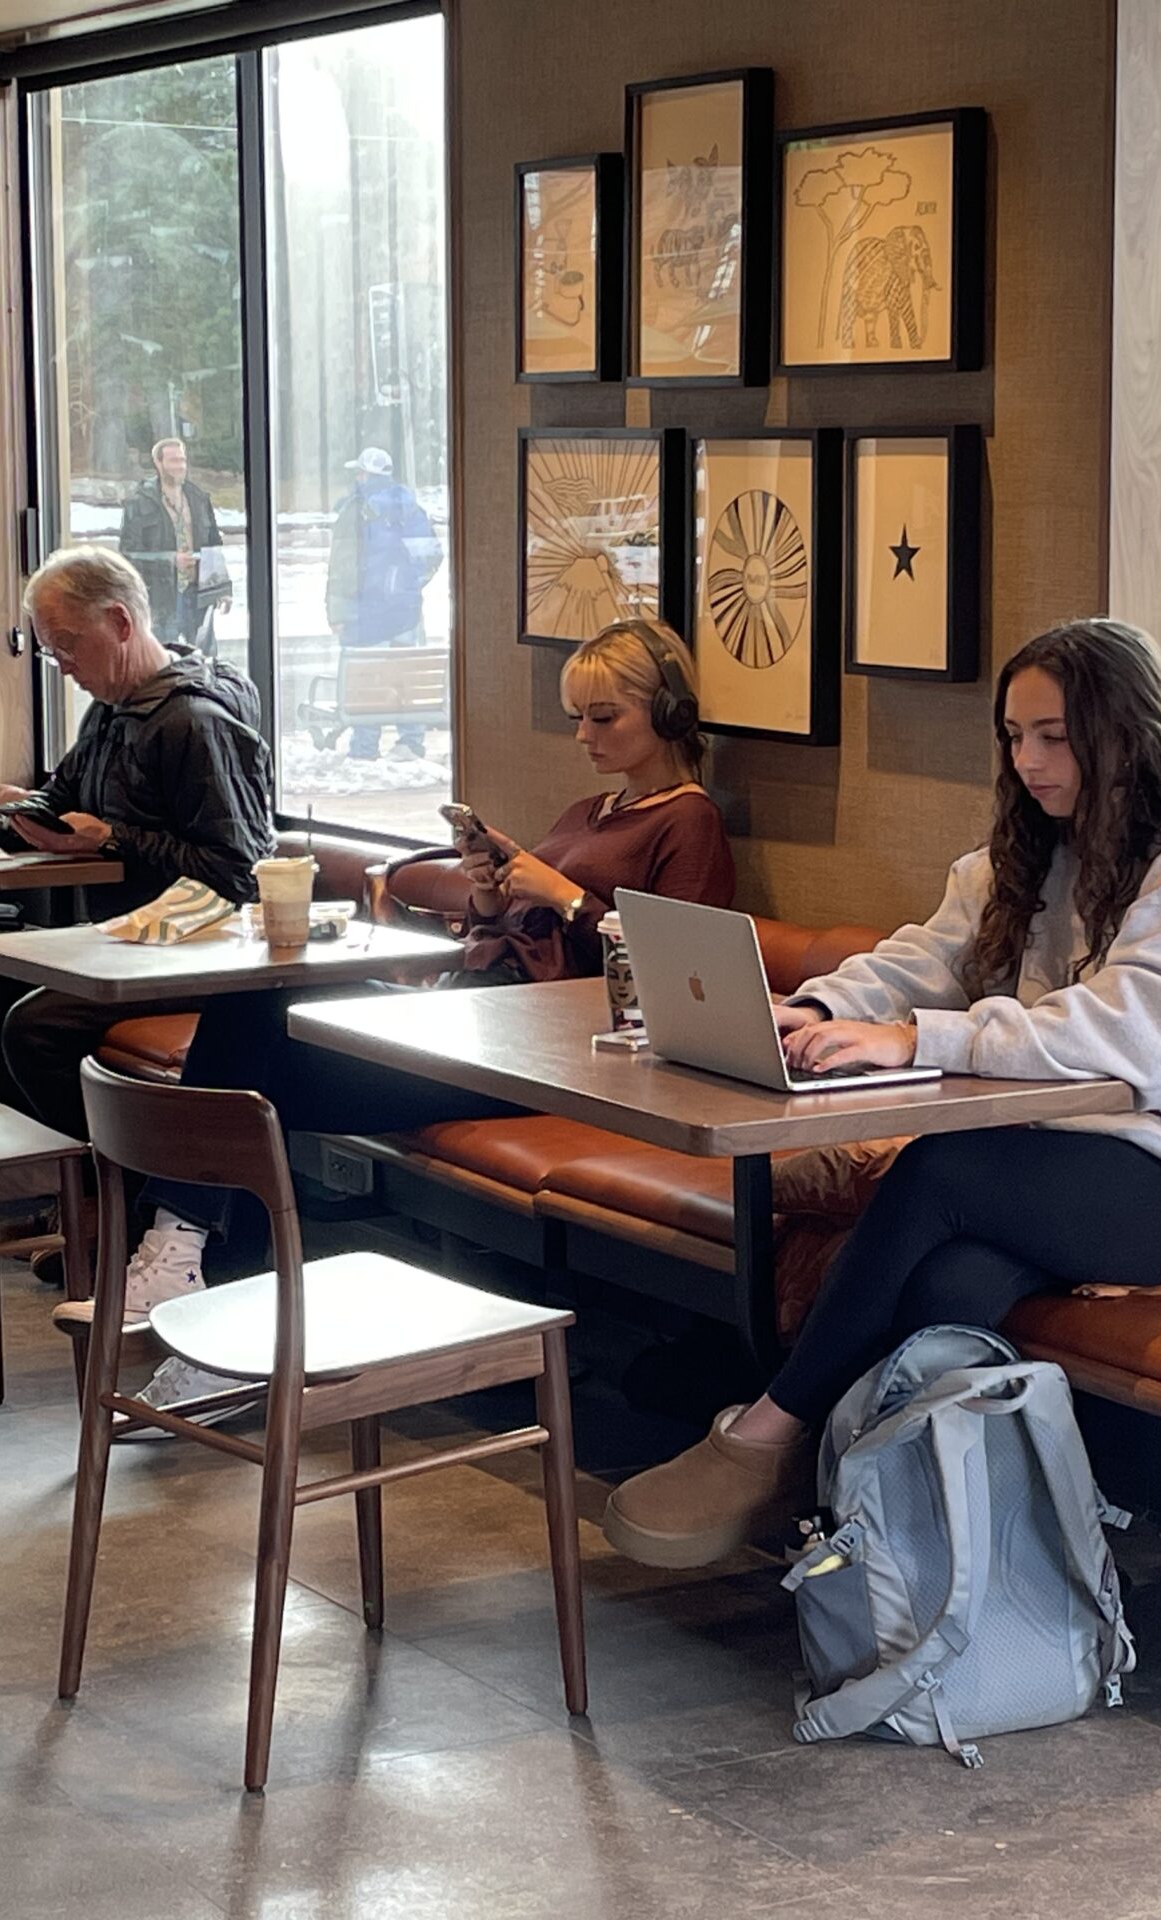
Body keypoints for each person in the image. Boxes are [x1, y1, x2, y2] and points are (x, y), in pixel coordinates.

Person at [600, 618, 1161, 1569]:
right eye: (1014, 735)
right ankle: (867, 1523)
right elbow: (928, 954)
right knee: (954, 1288)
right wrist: (818, 1006)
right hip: (1070, 1151)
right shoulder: (1038, 849)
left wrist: (915, 1039)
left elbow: (1136, 1042)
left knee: (942, 1171)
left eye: (1054, 736)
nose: (1028, 759)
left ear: (1126, 732)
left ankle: (765, 1433)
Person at [121, 618, 735, 1419]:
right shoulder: (594, 809)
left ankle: (193, 1272)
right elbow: (513, 931)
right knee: (253, 1032)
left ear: (670, 715)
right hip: (484, 1019)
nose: (582, 735)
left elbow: (674, 973)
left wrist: (564, 896)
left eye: (603, 717)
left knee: (255, 1060)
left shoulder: (689, 822)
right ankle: (202, 1281)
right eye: (576, 715)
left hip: (552, 1059)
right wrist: (491, 893)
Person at [0, 545, 275, 1142]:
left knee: (33, 1028)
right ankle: (47, 1180)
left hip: (192, 954)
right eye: (54, 652)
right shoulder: (110, 712)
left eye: (67, 645)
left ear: (121, 623)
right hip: (125, 943)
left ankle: (108, 1192)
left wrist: (114, 840)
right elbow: (58, 798)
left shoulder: (194, 722)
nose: (65, 664)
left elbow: (241, 872)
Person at [325, 447, 443, 760]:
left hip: (367, 613)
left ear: (364, 474)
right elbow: (431, 554)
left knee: (368, 678)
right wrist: (409, 585)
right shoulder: (410, 508)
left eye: (359, 472)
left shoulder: (354, 510)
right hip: (406, 613)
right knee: (405, 674)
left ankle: (365, 747)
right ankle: (411, 741)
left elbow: (342, 567)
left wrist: (337, 612)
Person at [118, 437, 230, 656]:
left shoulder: (198, 498)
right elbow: (127, 554)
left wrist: (222, 588)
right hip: (161, 598)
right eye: (173, 461)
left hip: (197, 594)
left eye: (183, 460)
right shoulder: (138, 502)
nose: (180, 466)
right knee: (162, 663)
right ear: (158, 463)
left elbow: (213, 545)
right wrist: (170, 559)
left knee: (205, 662)